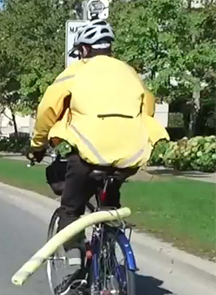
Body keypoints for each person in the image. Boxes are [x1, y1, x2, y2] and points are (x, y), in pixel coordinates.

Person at [28, 19, 169, 249]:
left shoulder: (75, 72)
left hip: (87, 154)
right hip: (130, 156)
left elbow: (47, 110)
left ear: (84, 49)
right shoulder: (130, 73)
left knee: (71, 210)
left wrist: (37, 145)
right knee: (110, 205)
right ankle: (110, 255)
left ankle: (74, 269)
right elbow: (148, 107)